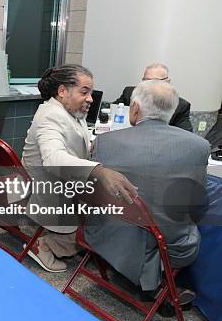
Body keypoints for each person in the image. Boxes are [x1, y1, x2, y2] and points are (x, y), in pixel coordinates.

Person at [85, 80, 209, 299]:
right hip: (171, 244)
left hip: (111, 238)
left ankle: (146, 278)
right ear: (172, 111)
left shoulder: (105, 141)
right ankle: (159, 282)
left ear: (135, 108)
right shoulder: (199, 146)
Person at [22, 64, 138, 272]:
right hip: (49, 189)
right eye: (84, 92)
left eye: (91, 93)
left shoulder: (66, 110)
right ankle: (44, 246)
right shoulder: (51, 116)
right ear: (62, 91)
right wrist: (98, 171)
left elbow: (74, 139)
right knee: (106, 211)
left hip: (55, 182)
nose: (90, 99)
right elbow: (53, 157)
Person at [114, 63, 192, 132]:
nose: (149, 85)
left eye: (155, 81)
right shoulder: (130, 93)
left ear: (167, 82)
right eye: (146, 81)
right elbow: (110, 112)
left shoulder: (180, 105)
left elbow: (186, 136)